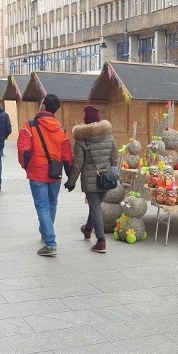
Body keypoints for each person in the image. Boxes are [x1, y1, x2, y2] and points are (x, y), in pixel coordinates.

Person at [18, 94, 73, 257]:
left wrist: (28, 166)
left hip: (38, 172)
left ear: (42, 106)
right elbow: (67, 156)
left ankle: (50, 243)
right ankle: (46, 233)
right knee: (51, 205)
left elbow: (24, 150)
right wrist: (70, 176)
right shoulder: (62, 130)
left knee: (42, 206)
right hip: (55, 172)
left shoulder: (30, 126)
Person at [64, 105, 116, 254]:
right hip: (106, 179)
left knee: (95, 207)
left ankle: (100, 241)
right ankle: (87, 229)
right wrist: (114, 173)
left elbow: (78, 163)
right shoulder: (109, 136)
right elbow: (114, 159)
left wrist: (71, 181)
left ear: (86, 121)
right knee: (96, 205)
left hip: (90, 179)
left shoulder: (81, 139)